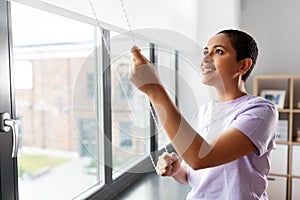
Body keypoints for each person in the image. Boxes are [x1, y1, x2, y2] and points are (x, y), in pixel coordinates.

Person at [129, 29, 278, 200]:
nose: (206, 59)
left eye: (219, 52)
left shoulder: (261, 110)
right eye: (206, 52)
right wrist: (176, 169)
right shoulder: (205, 111)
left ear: (243, 65)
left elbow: (200, 158)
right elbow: (191, 173)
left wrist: (155, 91)